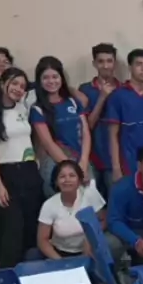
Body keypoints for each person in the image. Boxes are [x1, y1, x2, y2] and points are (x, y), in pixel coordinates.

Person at [0, 68, 43, 268]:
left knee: (31, 224)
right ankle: (8, 275)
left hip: (29, 171)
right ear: (2, 83)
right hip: (5, 174)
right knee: (12, 228)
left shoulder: (23, 107)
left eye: (22, 86)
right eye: (14, 83)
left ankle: (30, 273)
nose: (18, 89)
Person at [29, 56, 92, 198]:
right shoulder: (37, 109)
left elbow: (85, 133)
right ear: (39, 81)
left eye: (55, 76)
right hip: (57, 166)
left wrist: (83, 162)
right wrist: (72, 171)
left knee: (88, 206)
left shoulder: (73, 102)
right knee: (62, 208)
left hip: (82, 161)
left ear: (62, 78)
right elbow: (48, 143)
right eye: (46, 78)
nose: (51, 81)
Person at [105, 49, 143, 182]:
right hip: (127, 162)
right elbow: (112, 135)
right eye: (139, 64)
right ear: (130, 67)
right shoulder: (118, 96)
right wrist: (116, 168)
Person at [36, 160, 106, 260]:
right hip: (60, 253)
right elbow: (42, 241)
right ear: (56, 182)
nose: (67, 180)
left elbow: (104, 219)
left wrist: (90, 237)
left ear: (79, 180)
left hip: (89, 249)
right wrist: (61, 262)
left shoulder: (89, 195)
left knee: (112, 242)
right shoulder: (49, 205)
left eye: (72, 176)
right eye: (62, 177)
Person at [78, 43, 120, 199]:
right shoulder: (85, 89)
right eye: (101, 61)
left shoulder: (123, 89)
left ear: (115, 63)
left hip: (115, 160)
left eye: (109, 61)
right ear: (94, 64)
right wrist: (102, 97)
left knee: (115, 203)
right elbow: (88, 125)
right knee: (92, 205)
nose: (106, 66)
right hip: (92, 158)